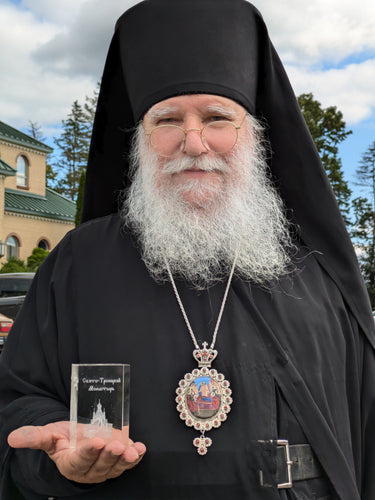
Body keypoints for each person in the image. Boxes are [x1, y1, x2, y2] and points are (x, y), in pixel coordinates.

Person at [0, 1, 374, 498]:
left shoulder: (310, 268)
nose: (194, 142)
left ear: (255, 137)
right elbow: (19, 402)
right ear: (140, 139)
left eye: (218, 117)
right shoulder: (78, 263)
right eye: (168, 120)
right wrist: (58, 463)